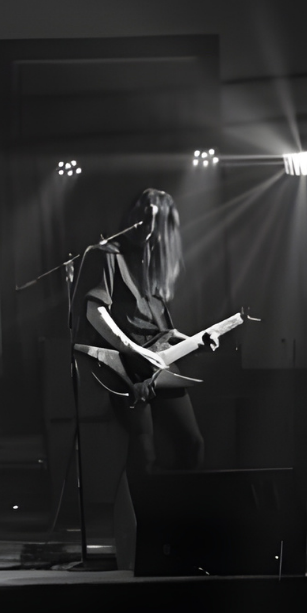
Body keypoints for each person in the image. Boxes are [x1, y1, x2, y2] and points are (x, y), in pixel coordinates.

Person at [79, 188, 217, 476]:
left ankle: (178, 514)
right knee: (144, 452)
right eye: (142, 215)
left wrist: (197, 341)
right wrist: (132, 349)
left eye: (154, 219)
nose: (146, 224)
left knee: (192, 444)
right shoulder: (107, 254)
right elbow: (95, 311)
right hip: (125, 364)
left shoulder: (154, 266)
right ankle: (140, 519)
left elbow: (163, 332)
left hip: (158, 361)